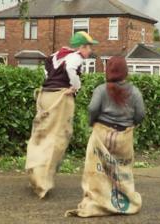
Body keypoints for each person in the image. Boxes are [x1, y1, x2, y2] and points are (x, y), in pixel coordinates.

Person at [65, 56, 145, 217]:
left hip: (102, 134)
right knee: (122, 170)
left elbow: (93, 109)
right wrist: (132, 124)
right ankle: (124, 204)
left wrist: (92, 123)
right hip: (124, 137)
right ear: (125, 72)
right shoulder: (135, 91)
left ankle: (99, 203)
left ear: (108, 71)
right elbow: (141, 114)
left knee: (97, 171)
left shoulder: (101, 89)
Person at [25, 31, 98, 199]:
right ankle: (42, 182)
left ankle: (33, 171)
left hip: (45, 96)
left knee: (40, 135)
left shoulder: (55, 54)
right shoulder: (75, 57)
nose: (90, 52)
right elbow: (71, 68)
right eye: (89, 48)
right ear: (81, 47)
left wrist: (51, 80)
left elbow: (46, 71)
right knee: (57, 138)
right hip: (60, 97)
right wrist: (75, 86)